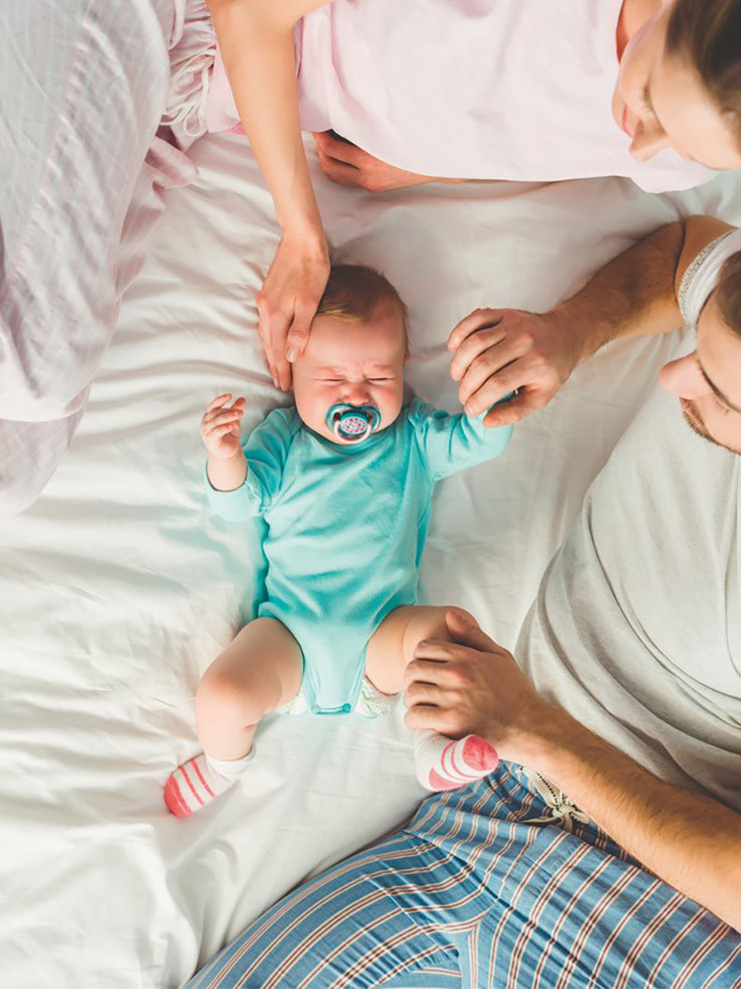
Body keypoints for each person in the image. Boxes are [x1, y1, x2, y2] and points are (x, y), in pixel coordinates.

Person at [0, 0, 741, 519]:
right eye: (649, 101)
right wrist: (303, 236)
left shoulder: (688, 140)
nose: (638, 143)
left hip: (178, 100)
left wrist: (429, 163)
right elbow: (246, 1)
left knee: (7, 467)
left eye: (676, 147)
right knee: (33, 367)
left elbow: (557, 131)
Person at [187, 217, 741, 988]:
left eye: (718, 391)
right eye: (698, 344)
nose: (672, 378)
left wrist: (534, 726)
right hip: (479, 805)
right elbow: (688, 252)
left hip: (644, 905)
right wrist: (571, 331)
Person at [165, 264, 513, 817]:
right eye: (332, 380)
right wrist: (226, 456)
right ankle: (223, 764)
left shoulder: (413, 437)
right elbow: (237, 503)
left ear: (403, 371)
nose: (356, 394)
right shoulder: (285, 439)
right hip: (288, 637)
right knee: (223, 695)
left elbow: (478, 441)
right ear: (293, 373)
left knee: (448, 633)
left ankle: (430, 746)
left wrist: (494, 395)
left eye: (378, 377)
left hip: (384, 638)